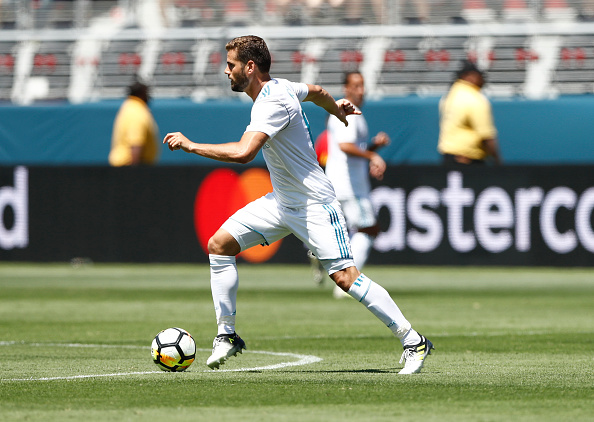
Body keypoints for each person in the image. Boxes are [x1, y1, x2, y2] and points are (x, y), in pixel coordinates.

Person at [163, 35, 433, 374]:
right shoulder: (282, 87)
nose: (226, 71)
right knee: (219, 245)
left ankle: (414, 341)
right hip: (282, 201)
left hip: (314, 204)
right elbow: (317, 91)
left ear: (249, 66)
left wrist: (191, 146)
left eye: (230, 65)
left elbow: (244, 153)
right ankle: (227, 335)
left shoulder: (270, 102)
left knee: (347, 278)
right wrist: (337, 108)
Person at [320, 71, 390, 298]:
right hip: (349, 185)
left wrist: (373, 148)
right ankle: (347, 285)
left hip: (344, 182)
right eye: (356, 85)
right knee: (368, 229)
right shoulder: (344, 111)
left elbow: (353, 148)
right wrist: (372, 157)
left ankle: (319, 255)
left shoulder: (352, 113)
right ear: (346, 88)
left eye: (363, 85)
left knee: (347, 232)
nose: (361, 90)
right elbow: (345, 146)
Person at [438, 60, 502, 167]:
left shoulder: (450, 96)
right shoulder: (474, 98)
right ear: (470, 76)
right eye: (480, 76)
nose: (483, 80)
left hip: (448, 156)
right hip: (467, 159)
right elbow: (486, 135)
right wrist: (498, 161)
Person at [108, 80, 159, 167]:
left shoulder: (128, 107)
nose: (149, 97)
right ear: (141, 94)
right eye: (146, 93)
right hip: (131, 166)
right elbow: (136, 143)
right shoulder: (137, 112)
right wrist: (134, 174)